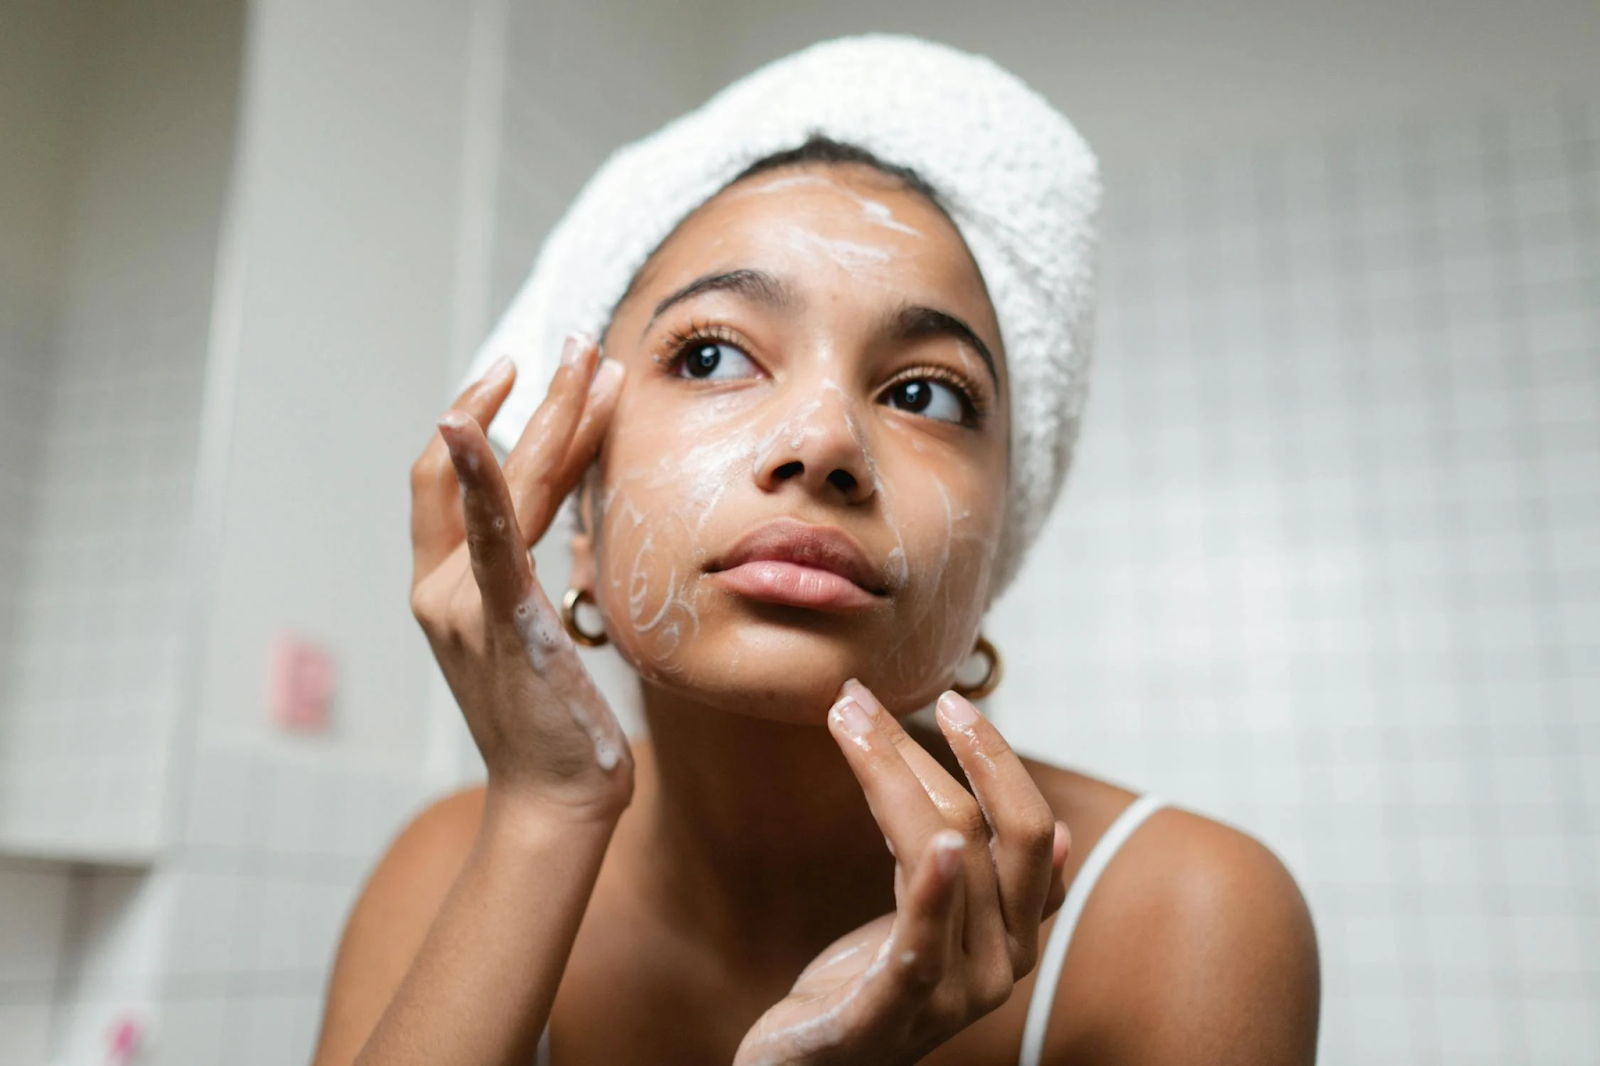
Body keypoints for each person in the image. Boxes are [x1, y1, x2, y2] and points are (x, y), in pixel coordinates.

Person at [311, 36, 1319, 1066]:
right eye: (711, 355)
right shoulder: (444, 872)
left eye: (925, 392)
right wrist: (543, 812)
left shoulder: (1182, 919)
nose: (826, 440)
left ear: (996, 550)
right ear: (578, 504)